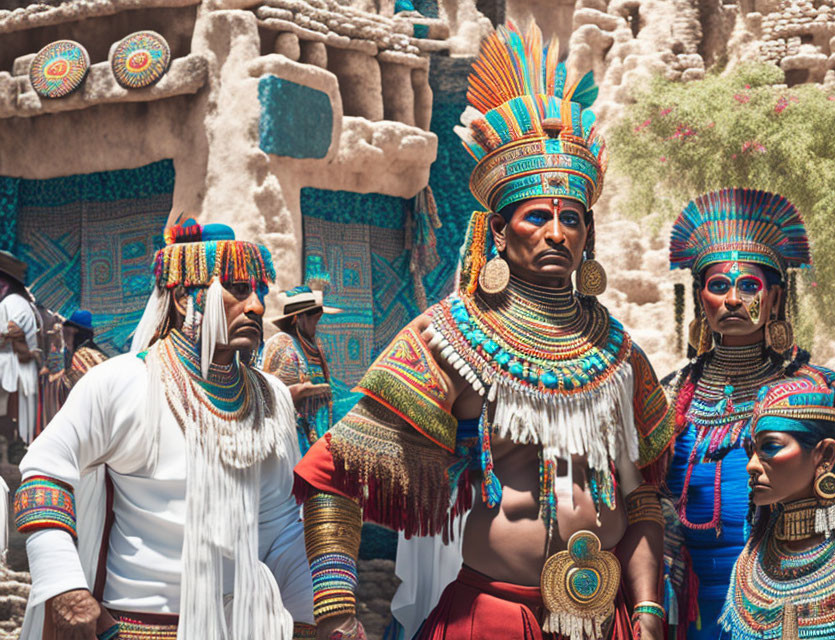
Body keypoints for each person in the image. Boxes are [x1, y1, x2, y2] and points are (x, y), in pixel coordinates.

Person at [294, 23, 669, 640]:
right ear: (498, 232)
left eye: (571, 218)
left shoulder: (620, 353)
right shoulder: (452, 339)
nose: (556, 233)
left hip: (610, 620)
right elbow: (331, 471)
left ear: (588, 235)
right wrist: (337, 613)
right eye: (536, 217)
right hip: (496, 616)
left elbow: (642, 497)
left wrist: (650, 613)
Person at [13, 221, 314, 640]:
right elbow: (44, 474)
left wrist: (309, 620)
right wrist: (66, 589)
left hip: (242, 627)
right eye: (238, 290)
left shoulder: (272, 399)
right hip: (131, 628)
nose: (258, 307)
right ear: (182, 296)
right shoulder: (122, 382)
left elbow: (280, 525)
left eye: (259, 291)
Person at [642, 188, 835, 639]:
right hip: (692, 603)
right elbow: (652, 504)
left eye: (749, 286)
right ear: (701, 298)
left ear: (776, 299)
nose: (733, 300)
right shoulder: (671, 394)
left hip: (792, 597)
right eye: (719, 286)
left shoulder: (822, 389)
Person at [720, 378, 835, 639]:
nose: (751, 466)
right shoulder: (752, 558)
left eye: (770, 447)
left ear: (826, 455)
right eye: (751, 450)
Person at [260, 285, 339, 454]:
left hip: (317, 433)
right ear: (299, 318)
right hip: (293, 438)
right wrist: (304, 391)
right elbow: (271, 396)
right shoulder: (284, 345)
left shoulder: (314, 348)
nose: (317, 324)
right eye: (313, 318)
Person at [0, 251, 39, 445]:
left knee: (12, 424)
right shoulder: (18, 302)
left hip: (14, 375)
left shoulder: (12, 302)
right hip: (15, 374)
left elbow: (10, 332)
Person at [60, 309, 108, 391]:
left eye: (66, 328)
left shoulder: (82, 354)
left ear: (74, 331)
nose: (63, 331)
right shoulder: (76, 352)